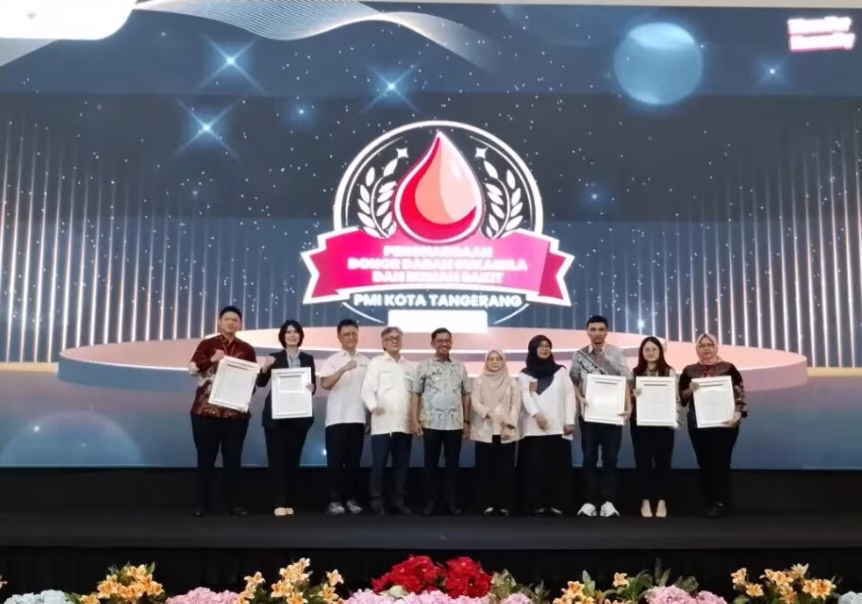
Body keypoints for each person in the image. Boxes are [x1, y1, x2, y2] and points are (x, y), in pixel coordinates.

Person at [187, 305, 257, 517]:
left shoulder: (247, 349)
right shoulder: (207, 344)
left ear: (240, 324)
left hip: (235, 414)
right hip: (206, 412)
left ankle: (234, 504)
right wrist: (212, 360)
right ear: (219, 322)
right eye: (227, 319)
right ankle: (201, 504)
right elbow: (192, 369)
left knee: (233, 461)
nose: (231, 323)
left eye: (235, 320)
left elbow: (251, 380)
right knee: (205, 459)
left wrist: (247, 388)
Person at [570, 315, 632, 518]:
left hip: (612, 415)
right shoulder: (579, 355)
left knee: (610, 458)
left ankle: (608, 501)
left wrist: (628, 406)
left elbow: (626, 381)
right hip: (589, 415)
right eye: (593, 329)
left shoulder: (617, 353)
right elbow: (573, 381)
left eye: (601, 329)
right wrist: (580, 398)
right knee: (589, 458)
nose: (597, 333)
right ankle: (589, 502)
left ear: (606, 331)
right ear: (587, 331)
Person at [678, 333, 746, 518]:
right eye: (702, 345)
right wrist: (689, 390)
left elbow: (739, 393)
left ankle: (722, 503)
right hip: (698, 424)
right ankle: (710, 502)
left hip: (725, 423)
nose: (706, 348)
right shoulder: (689, 370)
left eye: (710, 345)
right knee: (704, 462)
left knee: (721, 461)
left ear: (716, 347)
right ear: (697, 349)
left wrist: (738, 414)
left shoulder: (729, 368)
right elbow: (681, 398)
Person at [257, 319, 316, 517]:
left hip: (298, 418)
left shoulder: (308, 359)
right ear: (283, 336)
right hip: (276, 418)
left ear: (300, 335)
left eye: (295, 331)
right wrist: (265, 367)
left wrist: (312, 388)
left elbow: (311, 386)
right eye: (288, 332)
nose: (292, 335)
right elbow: (261, 383)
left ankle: (289, 501)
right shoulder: (274, 357)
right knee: (277, 461)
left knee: (293, 461)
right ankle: (278, 502)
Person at [411, 327, 471, 516]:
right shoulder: (424, 366)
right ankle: (430, 503)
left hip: (455, 423)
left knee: (452, 465)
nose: (444, 344)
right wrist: (414, 419)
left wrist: (467, 421)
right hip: (430, 423)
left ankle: (451, 503)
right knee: (430, 464)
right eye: (440, 341)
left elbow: (466, 394)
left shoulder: (459, 366)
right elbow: (416, 394)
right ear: (433, 343)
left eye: (447, 340)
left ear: (451, 343)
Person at [519, 335, 577, 517]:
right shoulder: (525, 373)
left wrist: (569, 420)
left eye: (547, 346)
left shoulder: (561, 371)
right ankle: (535, 505)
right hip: (533, 428)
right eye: (540, 346)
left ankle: (557, 504)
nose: (544, 349)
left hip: (558, 428)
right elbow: (524, 395)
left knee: (557, 469)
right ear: (533, 349)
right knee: (535, 469)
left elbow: (569, 395)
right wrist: (537, 415)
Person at [361, 326, 415, 515]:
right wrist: (373, 406)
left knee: (402, 465)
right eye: (391, 338)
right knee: (379, 465)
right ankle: (376, 501)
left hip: (404, 424)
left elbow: (415, 395)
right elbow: (366, 390)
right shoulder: (376, 363)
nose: (395, 340)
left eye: (398, 337)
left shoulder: (410, 366)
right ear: (383, 342)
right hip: (383, 424)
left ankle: (398, 500)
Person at [319, 319, 370, 516]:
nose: (351, 337)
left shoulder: (366, 361)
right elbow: (325, 384)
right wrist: (343, 369)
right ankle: (334, 501)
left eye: (354, 334)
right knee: (335, 462)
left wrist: (369, 417)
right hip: (336, 419)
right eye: (346, 334)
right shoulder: (332, 360)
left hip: (358, 418)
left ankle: (350, 499)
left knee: (353, 463)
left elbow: (369, 391)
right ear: (339, 337)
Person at [631, 336, 678, 518]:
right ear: (642, 352)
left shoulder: (668, 371)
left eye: (654, 349)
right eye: (647, 349)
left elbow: (675, 398)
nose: (650, 352)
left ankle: (661, 501)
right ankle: (645, 500)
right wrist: (633, 395)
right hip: (640, 424)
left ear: (660, 351)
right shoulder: (635, 373)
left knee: (663, 463)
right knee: (642, 462)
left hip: (663, 424)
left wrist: (673, 417)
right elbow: (629, 400)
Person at [470, 349, 521, 517]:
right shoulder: (479, 380)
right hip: (484, 430)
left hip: (506, 431)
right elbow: (474, 401)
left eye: (498, 359)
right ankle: (485, 504)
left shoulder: (511, 381)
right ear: (486, 361)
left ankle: (505, 505)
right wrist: (489, 413)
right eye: (490, 359)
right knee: (485, 470)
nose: (494, 362)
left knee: (506, 470)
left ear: (503, 361)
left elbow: (516, 405)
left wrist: (509, 424)